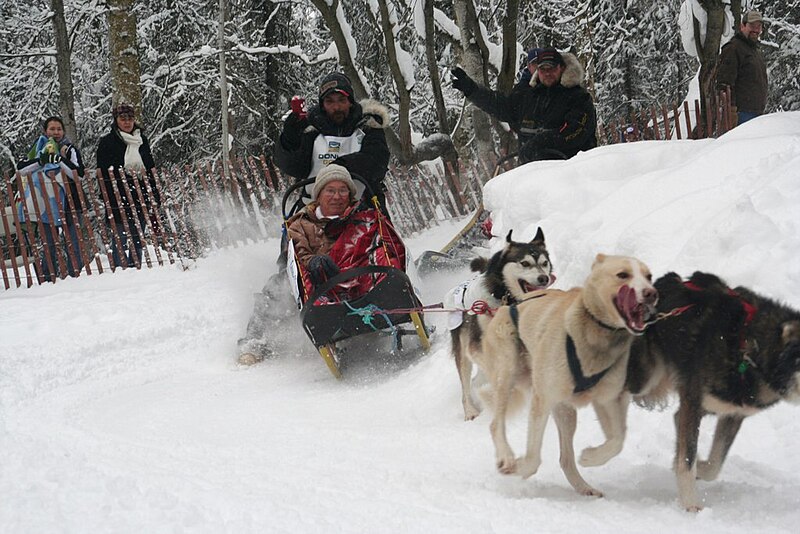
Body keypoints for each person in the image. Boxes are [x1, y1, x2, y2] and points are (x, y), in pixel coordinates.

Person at [237, 164, 359, 365]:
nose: (337, 196)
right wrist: (312, 262)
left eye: (342, 190)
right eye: (330, 190)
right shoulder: (301, 223)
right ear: (319, 195)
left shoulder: (360, 217)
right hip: (314, 280)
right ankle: (254, 343)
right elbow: (297, 254)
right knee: (277, 285)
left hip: (355, 277)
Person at [451, 47, 597, 164]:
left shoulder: (578, 98)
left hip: (572, 172)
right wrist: (472, 90)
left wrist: (540, 142)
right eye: (542, 69)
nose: (547, 73)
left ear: (562, 68)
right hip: (531, 173)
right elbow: (500, 105)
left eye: (551, 68)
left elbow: (576, 132)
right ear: (536, 71)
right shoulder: (528, 95)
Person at [274, 72, 391, 211]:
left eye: (342, 100)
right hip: (314, 208)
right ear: (322, 105)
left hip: (362, 208)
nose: (336, 107)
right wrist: (289, 140)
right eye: (330, 101)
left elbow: (377, 163)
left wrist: (340, 166)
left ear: (350, 102)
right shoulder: (311, 130)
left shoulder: (369, 126)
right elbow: (295, 168)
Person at [16, 116, 85, 281]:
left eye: (59, 129)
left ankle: (76, 277)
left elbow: (78, 175)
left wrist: (60, 160)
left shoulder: (69, 149)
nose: (56, 132)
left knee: (73, 243)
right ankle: (48, 279)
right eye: (52, 129)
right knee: (49, 244)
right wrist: (42, 160)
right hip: (45, 204)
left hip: (70, 202)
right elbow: (21, 169)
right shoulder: (38, 147)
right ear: (46, 131)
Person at [96, 103, 160, 269]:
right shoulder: (107, 142)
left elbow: (149, 165)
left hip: (140, 194)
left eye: (130, 118)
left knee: (138, 235)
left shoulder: (141, 140)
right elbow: (102, 171)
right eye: (122, 118)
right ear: (116, 120)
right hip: (118, 194)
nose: (127, 122)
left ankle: (136, 267)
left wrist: (154, 193)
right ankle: (120, 269)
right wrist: (108, 196)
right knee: (120, 237)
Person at [716, 10, 768, 126]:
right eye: (752, 26)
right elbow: (724, 81)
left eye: (758, 26)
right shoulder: (733, 48)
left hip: (755, 111)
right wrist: (731, 109)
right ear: (742, 26)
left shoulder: (753, 50)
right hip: (741, 113)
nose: (756, 30)